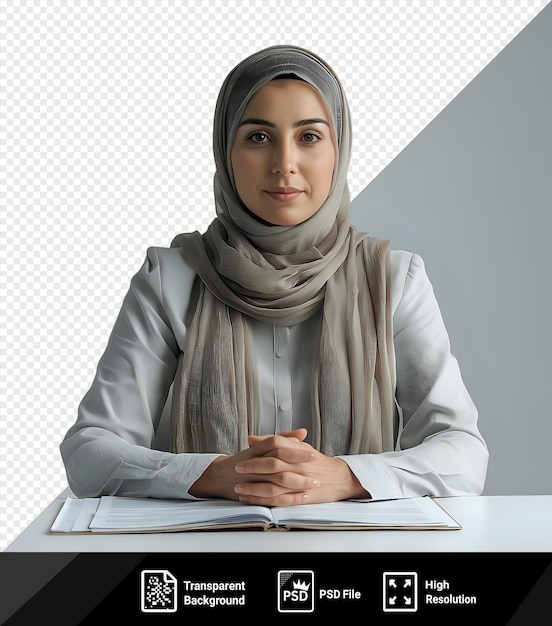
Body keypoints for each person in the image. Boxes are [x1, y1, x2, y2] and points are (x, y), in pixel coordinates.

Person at [60, 45, 488, 507]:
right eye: (258, 137)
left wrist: (344, 477)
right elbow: (89, 452)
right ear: (226, 150)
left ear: (338, 151)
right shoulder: (172, 279)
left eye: (309, 137)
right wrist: (215, 475)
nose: (285, 163)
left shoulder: (391, 281)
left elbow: (464, 454)